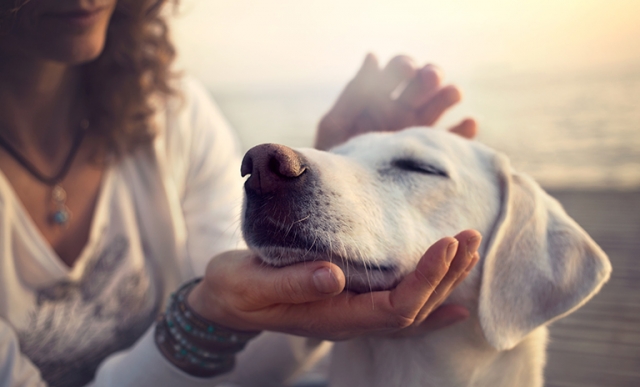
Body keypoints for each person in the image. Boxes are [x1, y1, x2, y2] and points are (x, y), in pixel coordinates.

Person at [0, 0, 481, 386]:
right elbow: (225, 315)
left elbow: (244, 363)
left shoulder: (170, 114)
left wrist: (337, 189)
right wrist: (204, 314)